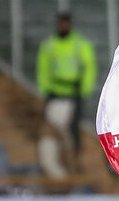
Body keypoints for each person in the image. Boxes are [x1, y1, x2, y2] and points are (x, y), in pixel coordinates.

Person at [36, 12, 96, 174]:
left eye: (66, 23)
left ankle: (74, 159)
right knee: (52, 127)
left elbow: (89, 66)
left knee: (73, 128)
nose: (63, 27)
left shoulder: (79, 44)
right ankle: (57, 160)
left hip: (73, 92)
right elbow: (43, 68)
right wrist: (45, 89)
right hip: (55, 92)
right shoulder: (49, 44)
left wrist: (84, 88)